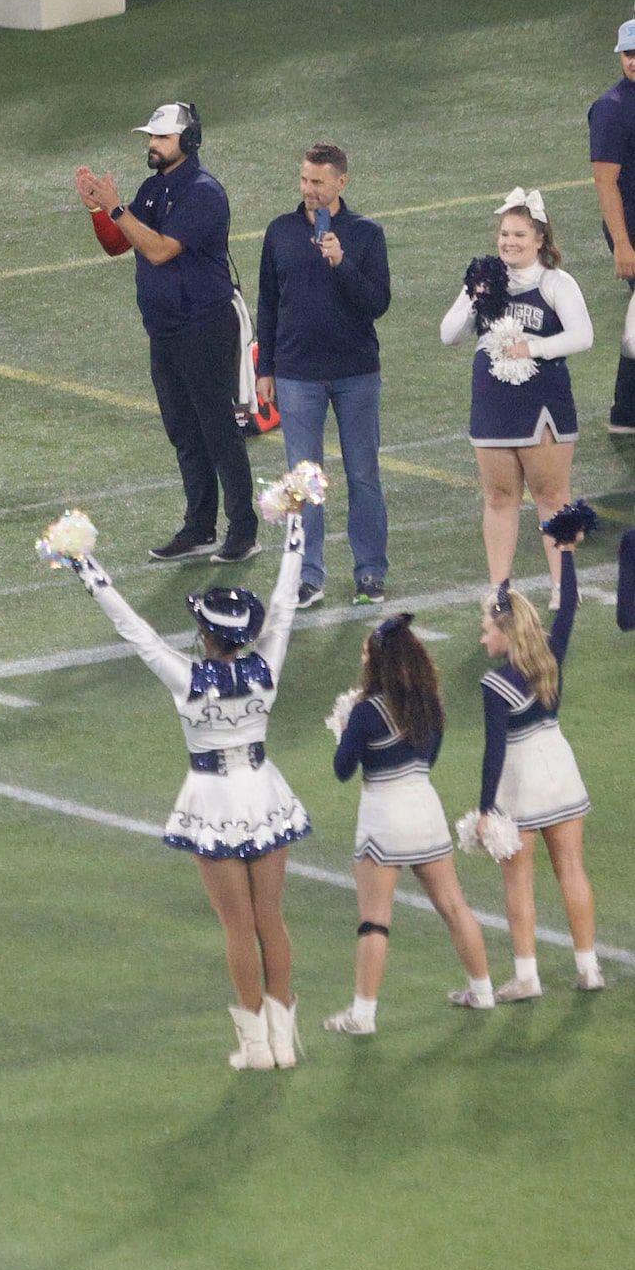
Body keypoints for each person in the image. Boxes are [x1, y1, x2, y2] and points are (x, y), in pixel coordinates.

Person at [50, 514, 313, 1070]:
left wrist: (86, 567)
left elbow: (134, 630)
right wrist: (296, 525)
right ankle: (283, 1039)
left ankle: (256, 1046)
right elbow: (286, 603)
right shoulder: (267, 665)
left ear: (205, 635)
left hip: (213, 798)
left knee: (238, 926)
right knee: (271, 918)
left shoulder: (186, 677)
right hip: (265, 792)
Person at [76, 102, 258, 563]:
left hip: (204, 327)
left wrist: (116, 206)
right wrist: (101, 209)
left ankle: (244, 530)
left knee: (219, 430)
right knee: (184, 431)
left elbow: (158, 250)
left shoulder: (202, 193)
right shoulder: (154, 189)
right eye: (151, 138)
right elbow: (118, 243)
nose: (152, 145)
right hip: (166, 330)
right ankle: (200, 527)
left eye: (161, 138)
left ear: (188, 141)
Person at [321, 614, 493, 1033]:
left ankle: (362, 1015)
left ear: (378, 663)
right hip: (425, 809)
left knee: (375, 919)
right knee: (454, 906)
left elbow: (343, 769)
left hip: (384, 816)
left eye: (365, 653)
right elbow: (428, 760)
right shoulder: (429, 705)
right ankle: (484, 990)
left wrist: (346, 731)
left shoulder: (365, 713)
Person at [253, 144, 393, 607]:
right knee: (302, 481)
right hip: (296, 376)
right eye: (304, 180)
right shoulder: (280, 232)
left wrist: (341, 262)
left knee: (363, 474)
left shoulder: (366, 235)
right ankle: (307, 575)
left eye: (317, 181)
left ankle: (370, 571)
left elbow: (377, 303)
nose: (308, 189)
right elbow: (268, 303)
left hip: (356, 373)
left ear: (341, 183)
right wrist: (264, 369)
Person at [439, 191, 592, 587]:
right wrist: (476, 299)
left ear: (539, 239)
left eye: (519, 235)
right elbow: (448, 335)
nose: (509, 242)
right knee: (499, 498)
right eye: (505, 234)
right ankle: (499, 590)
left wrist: (534, 347)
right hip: (493, 403)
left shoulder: (556, 282)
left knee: (551, 498)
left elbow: (583, 336)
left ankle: (564, 588)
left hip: (543, 403)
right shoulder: (485, 280)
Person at [473, 544, 600, 998]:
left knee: (518, 879)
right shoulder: (551, 656)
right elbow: (567, 606)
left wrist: (486, 808)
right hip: (561, 768)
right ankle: (589, 968)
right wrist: (565, 551)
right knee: (572, 870)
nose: (483, 638)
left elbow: (495, 753)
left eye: (487, 629)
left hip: (522, 780)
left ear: (506, 633)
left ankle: (527, 977)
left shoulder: (495, 685)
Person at [587, 19, 635, 434]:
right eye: (628, 54)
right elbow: (605, 180)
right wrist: (622, 243)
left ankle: (626, 412)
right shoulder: (612, 108)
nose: (633, 61)